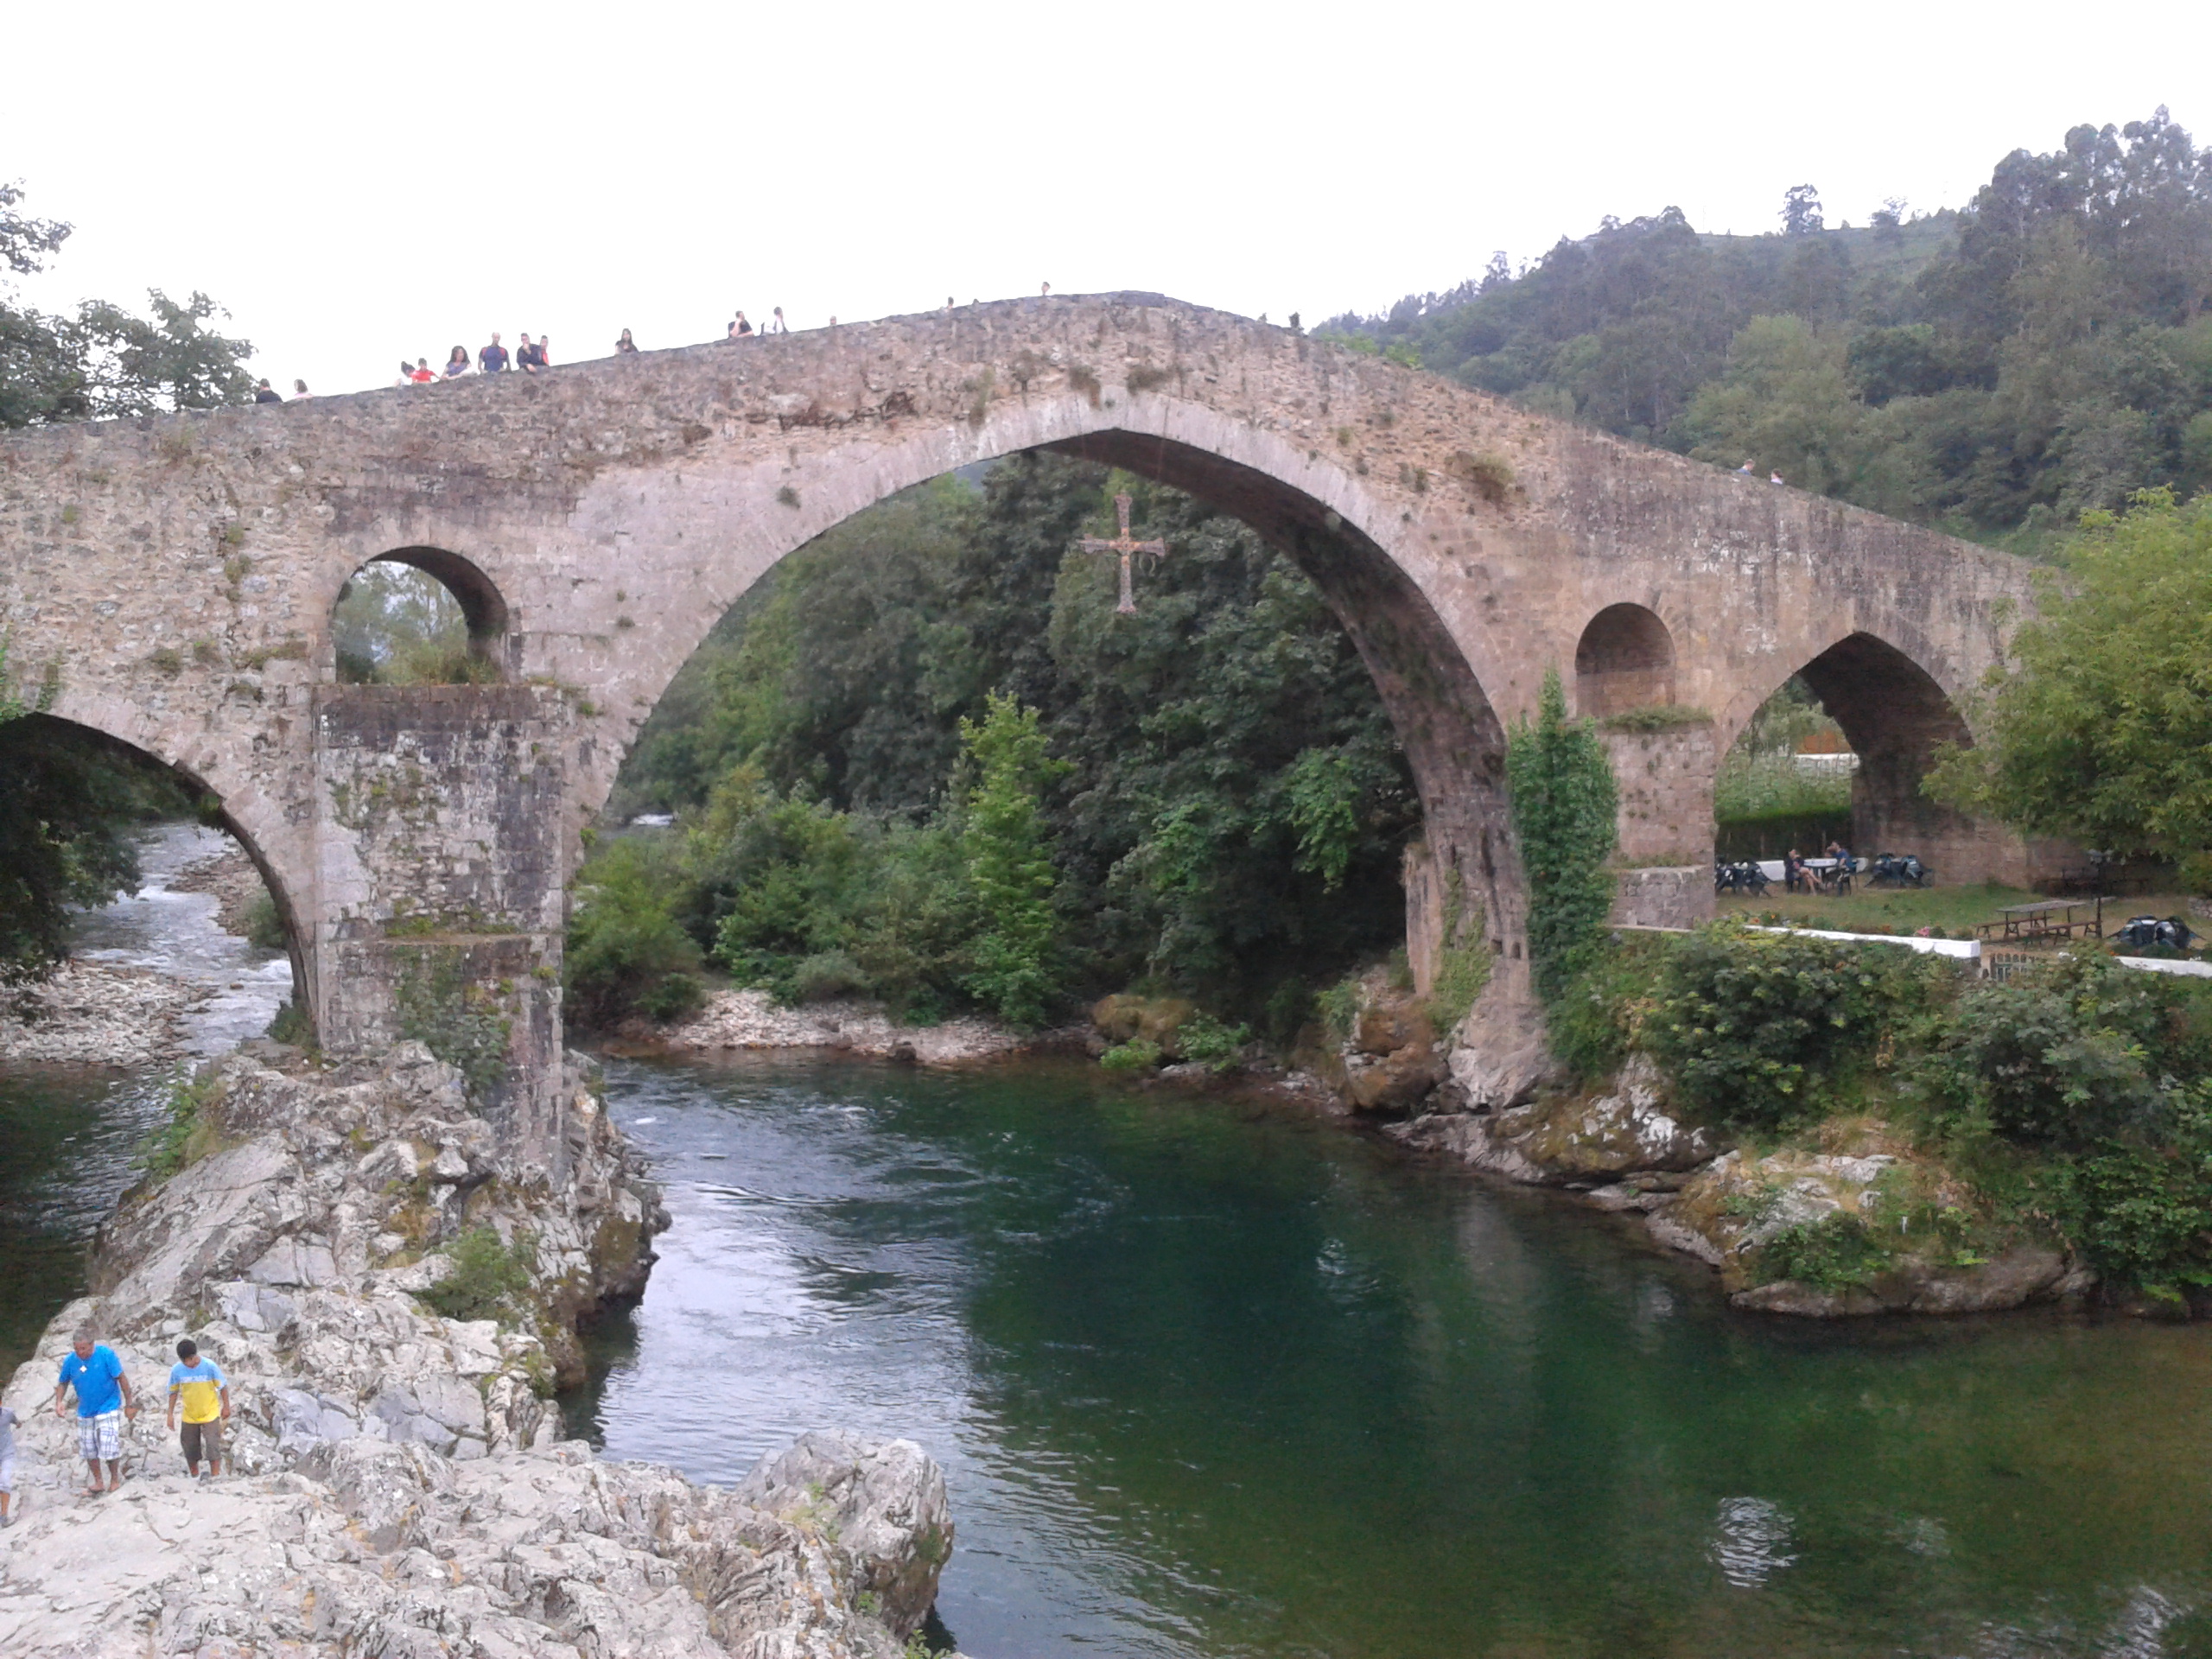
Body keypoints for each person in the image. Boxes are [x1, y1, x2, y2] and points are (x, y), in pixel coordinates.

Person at [53, 1326, 137, 1496]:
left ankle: (114, 1479)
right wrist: (59, 1401)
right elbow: (63, 1382)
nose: (80, 1352)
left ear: (92, 1345)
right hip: (85, 1410)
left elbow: (121, 1378)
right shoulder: (71, 1361)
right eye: (76, 1348)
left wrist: (129, 1404)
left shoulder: (106, 1355)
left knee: (108, 1443)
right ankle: (98, 1481)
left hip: (108, 1405)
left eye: (83, 1348)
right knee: (88, 1448)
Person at [166, 1338, 229, 1482]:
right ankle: (194, 1475)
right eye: (185, 1361)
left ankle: (215, 1476)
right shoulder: (177, 1370)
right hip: (190, 1414)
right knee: (189, 1446)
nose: (189, 1363)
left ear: (196, 1355)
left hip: (210, 1412)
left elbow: (223, 1386)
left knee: (213, 1444)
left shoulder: (210, 1366)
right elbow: (173, 1391)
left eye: (191, 1359)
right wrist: (170, 1414)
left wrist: (226, 1406)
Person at [1, 1399, 17, 1527]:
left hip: (7, 1454)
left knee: (5, 1482)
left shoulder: (8, 1413)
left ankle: (4, 1516)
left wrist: (19, 1424)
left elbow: (17, 1422)